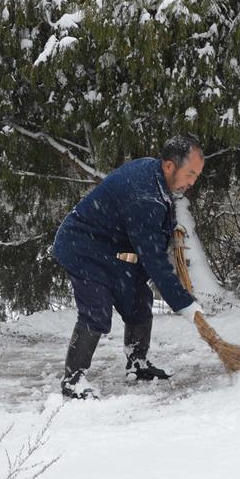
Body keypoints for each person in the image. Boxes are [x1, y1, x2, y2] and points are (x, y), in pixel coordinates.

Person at [52, 135, 205, 399]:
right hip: (81, 247)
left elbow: (150, 238)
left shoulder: (154, 176)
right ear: (169, 166)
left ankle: (137, 363)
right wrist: (184, 303)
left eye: (196, 175)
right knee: (97, 311)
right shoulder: (144, 193)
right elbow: (154, 259)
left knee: (138, 300)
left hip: (107, 248)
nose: (193, 181)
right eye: (190, 173)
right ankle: (72, 379)